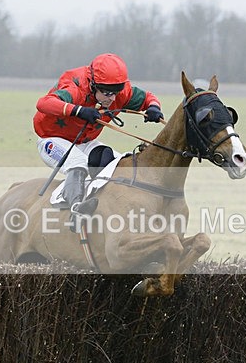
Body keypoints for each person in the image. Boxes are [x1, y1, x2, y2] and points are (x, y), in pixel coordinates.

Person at [33, 53, 164, 231]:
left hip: (85, 141)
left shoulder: (120, 92)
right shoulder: (76, 88)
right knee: (78, 163)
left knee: (117, 162)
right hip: (52, 138)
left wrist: (154, 107)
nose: (111, 98)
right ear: (93, 85)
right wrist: (78, 110)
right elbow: (43, 103)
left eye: (115, 93)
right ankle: (76, 210)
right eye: (106, 93)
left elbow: (148, 97)